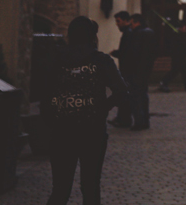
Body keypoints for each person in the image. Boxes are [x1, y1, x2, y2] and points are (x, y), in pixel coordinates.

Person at [40, 16, 129, 205]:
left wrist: (51, 118)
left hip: (62, 130)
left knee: (60, 189)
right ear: (92, 36)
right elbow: (121, 92)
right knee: (90, 187)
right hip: (92, 130)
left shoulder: (57, 59)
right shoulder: (102, 61)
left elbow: (45, 93)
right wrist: (101, 108)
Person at [126, 13, 156, 131]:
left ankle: (139, 121)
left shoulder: (137, 34)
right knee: (143, 95)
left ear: (137, 22)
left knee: (136, 96)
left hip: (136, 70)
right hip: (146, 69)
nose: (130, 25)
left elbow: (134, 53)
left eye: (131, 22)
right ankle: (145, 120)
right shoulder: (150, 33)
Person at [108, 10, 133, 127]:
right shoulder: (128, 32)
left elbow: (126, 52)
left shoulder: (128, 33)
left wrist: (117, 53)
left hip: (127, 69)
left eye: (118, 21)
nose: (117, 24)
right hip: (127, 69)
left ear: (125, 21)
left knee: (124, 94)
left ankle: (123, 119)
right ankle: (122, 118)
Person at [158, 20, 186, 92]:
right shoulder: (176, 34)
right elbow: (180, 44)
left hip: (180, 55)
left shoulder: (178, 34)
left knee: (184, 71)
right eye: (184, 27)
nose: (185, 29)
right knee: (175, 71)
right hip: (177, 55)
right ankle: (164, 82)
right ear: (181, 28)